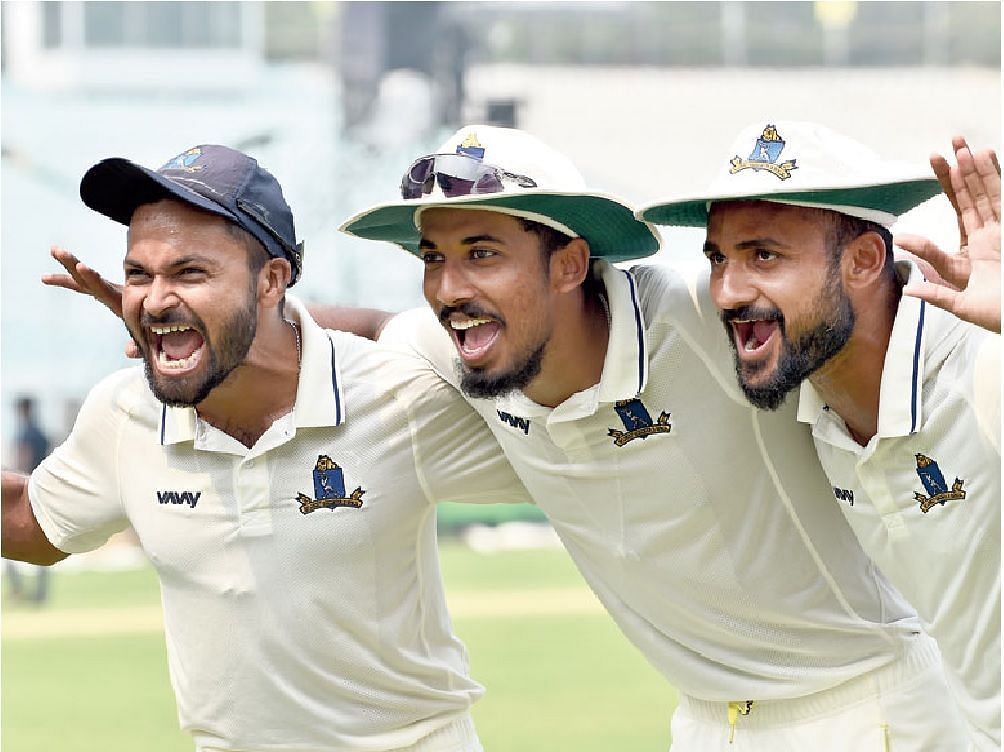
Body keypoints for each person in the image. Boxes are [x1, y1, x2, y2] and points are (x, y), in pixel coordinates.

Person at [50, 127, 969, 750]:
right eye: (435, 259)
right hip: (706, 722)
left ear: (571, 261)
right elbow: (361, 332)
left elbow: (848, 300)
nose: (448, 287)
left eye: (482, 253)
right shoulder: (446, 355)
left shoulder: (709, 314)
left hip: (870, 704)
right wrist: (192, 322)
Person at [1, 144, 533, 752]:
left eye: (189, 273)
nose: (152, 299)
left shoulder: (398, 395)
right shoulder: (126, 412)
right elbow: (28, 523)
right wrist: (197, 324)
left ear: (272, 280)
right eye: (138, 275)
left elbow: (566, 460)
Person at [636, 121, 1000, 750]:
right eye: (718, 258)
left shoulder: (981, 363)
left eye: (764, 256)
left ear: (863, 260)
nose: (727, 290)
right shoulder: (801, 396)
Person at [4, 396, 52, 604]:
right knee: (45, 544)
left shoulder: (25, 434)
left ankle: (17, 590)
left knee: (8, 540)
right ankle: (39, 594)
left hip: (24, 494)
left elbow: (22, 460)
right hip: (43, 492)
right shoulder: (42, 434)